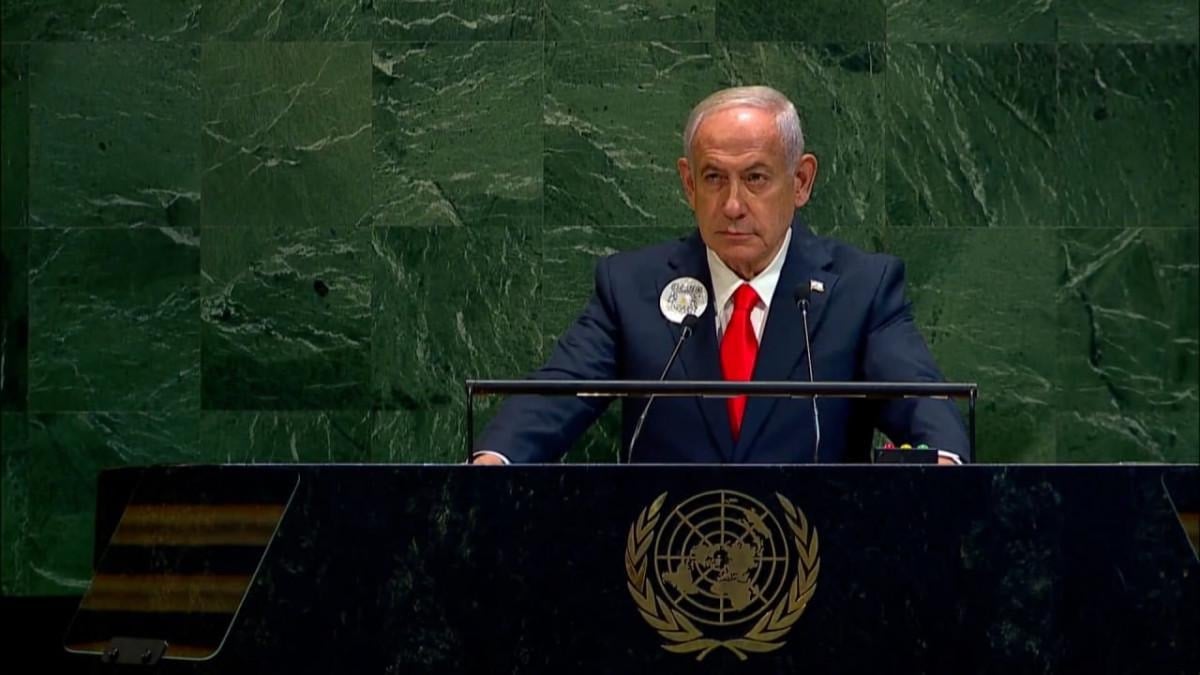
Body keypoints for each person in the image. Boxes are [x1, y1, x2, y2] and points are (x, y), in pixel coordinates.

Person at [473, 86, 969, 465]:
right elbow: (561, 389)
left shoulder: (861, 289)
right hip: (666, 555)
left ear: (800, 181)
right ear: (689, 184)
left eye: (755, 178)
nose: (733, 205)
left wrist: (946, 462)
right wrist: (494, 460)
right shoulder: (632, 287)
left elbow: (920, 397)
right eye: (714, 178)